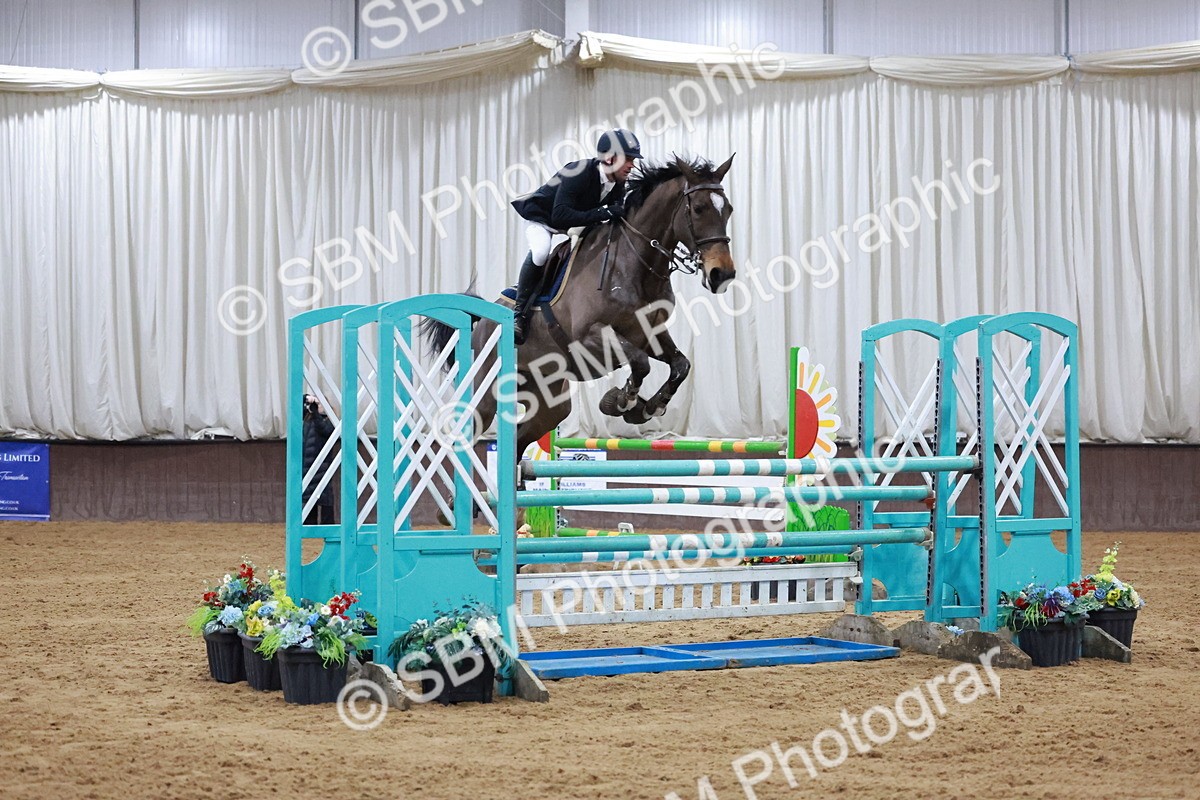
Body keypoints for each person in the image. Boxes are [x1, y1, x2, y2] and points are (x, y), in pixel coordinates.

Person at [508, 128, 643, 344]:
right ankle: (519, 314)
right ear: (609, 158)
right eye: (628, 159)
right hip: (545, 219)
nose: (632, 165)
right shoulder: (578, 172)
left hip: (575, 222)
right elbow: (560, 216)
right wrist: (603, 213)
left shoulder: (617, 183)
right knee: (541, 252)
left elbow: (611, 215)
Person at [301, 394, 337, 525]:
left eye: (320, 405)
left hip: (322, 464)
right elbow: (295, 406)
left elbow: (325, 430)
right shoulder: (308, 418)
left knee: (325, 495)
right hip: (308, 463)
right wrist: (307, 398)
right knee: (309, 494)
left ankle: (328, 524)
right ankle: (310, 523)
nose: (317, 407)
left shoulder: (331, 421)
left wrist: (315, 412)